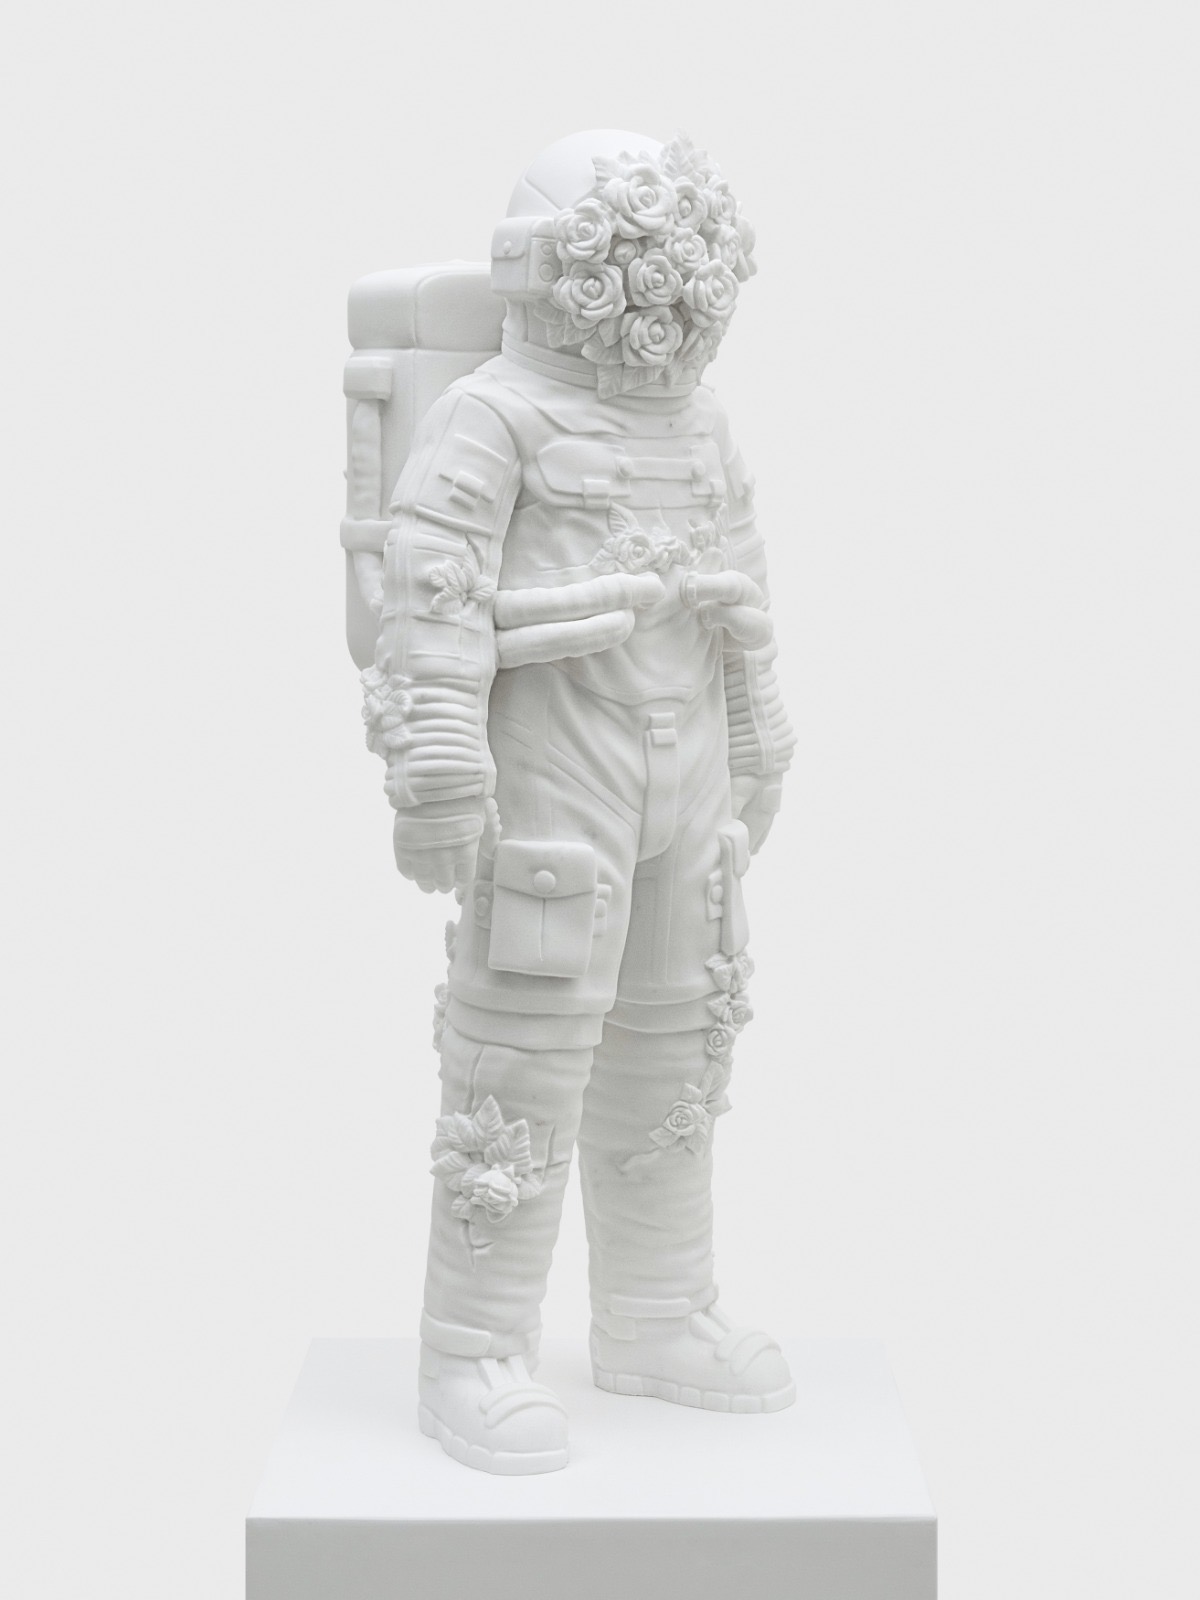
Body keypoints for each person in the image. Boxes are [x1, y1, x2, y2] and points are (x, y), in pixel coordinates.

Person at [362, 129, 796, 1474]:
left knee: (677, 1049)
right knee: (521, 1057)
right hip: (554, 772)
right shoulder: (491, 414)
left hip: (689, 775)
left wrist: (760, 741)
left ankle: (658, 1313)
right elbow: (431, 595)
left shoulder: (703, 425)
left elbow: (742, 592)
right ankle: (472, 1347)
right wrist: (442, 770)